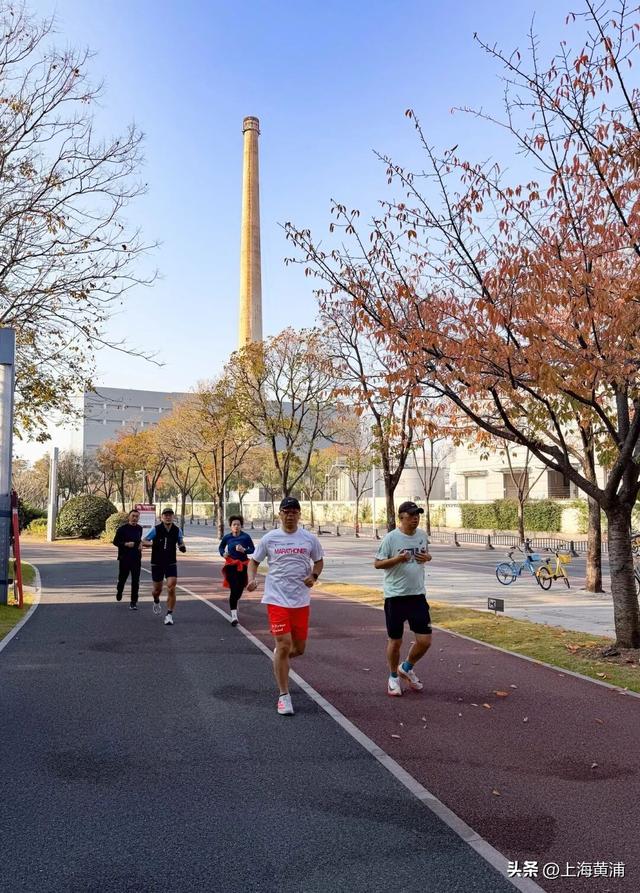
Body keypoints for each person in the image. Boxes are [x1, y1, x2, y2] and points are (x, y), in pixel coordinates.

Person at [247, 497, 323, 716]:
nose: (290, 515)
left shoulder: (309, 538)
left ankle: (279, 657)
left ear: (299, 515)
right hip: (276, 598)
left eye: (294, 512)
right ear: (279, 514)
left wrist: (314, 575)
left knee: (298, 649)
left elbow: (318, 560)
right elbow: (254, 561)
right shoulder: (270, 538)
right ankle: (284, 696)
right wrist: (251, 579)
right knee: (283, 644)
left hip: (300, 600)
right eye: (286, 511)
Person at [374, 501, 432, 697]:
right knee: (395, 641)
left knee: (424, 640)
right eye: (411, 515)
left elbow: (426, 555)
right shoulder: (391, 539)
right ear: (401, 517)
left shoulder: (422, 535)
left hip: (417, 595)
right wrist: (397, 559)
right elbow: (377, 563)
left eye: (418, 515)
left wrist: (428, 558)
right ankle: (393, 677)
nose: (415, 518)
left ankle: (406, 667)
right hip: (395, 597)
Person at [142, 507, 186, 625]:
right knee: (157, 590)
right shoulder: (156, 529)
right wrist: (153, 544)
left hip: (171, 562)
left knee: (171, 587)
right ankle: (156, 600)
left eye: (170, 515)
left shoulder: (177, 530)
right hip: (157, 563)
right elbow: (144, 541)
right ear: (161, 517)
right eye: (165, 515)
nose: (168, 517)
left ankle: (169, 614)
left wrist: (182, 546)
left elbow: (180, 541)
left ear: (173, 517)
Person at [218, 515, 255, 626]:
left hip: (243, 565)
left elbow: (252, 549)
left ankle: (235, 601)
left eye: (238, 524)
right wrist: (223, 553)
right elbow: (221, 547)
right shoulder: (227, 537)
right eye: (234, 524)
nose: (236, 526)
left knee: (239, 588)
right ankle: (234, 616)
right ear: (230, 526)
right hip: (231, 565)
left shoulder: (246, 537)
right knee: (234, 588)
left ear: (241, 526)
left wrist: (244, 550)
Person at [112, 509, 143, 610]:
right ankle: (119, 590)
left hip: (136, 559)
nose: (135, 518)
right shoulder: (122, 529)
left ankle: (133, 602)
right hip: (124, 558)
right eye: (133, 516)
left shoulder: (139, 528)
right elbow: (115, 542)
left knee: (135, 581)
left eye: (137, 516)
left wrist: (141, 544)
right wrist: (125, 544)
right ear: (129, 517)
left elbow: (139, 540)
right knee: (122, 579)